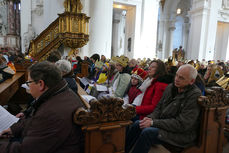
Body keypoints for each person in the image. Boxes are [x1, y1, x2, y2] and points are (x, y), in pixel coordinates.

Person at [0, 61, 84, 153]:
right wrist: (14, 129)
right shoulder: (61, 93)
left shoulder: (51, 112)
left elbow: (26, 150)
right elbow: (33, 119)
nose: (28, 86)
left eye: (29, 82)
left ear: (41, 84)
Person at [125, 64, 201, 153]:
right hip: (165, 125)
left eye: (181, 78)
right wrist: (150, 118)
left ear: (191, 81)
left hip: (181, 134)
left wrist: (153, 122)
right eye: (176, 75)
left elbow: (182, 124)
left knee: (148, 132)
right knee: (138, 124)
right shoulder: (170, 87)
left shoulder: (194, 95)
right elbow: (158, 108)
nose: (176, 79)